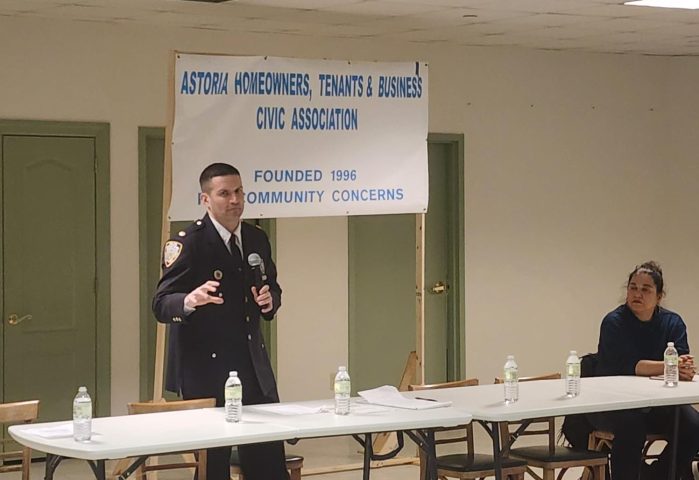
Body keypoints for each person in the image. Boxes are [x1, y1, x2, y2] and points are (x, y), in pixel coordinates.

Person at [153, 162, 289, 480]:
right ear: (205, 200)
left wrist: (270, 302)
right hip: (206, 374)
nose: (234, 200)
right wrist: (189, 300)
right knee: (213, 468)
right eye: (224, 193)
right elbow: (161, 304)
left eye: (239, 191)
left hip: (253, 370)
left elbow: (273, 290)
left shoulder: (256, 238)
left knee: (269, 464)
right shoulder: (187, 243)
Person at [591, 261, 699, 480]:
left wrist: (682, 369)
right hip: (618, 404)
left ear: (659, 296)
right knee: (631, 428)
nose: (637, 294)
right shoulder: (614, 323)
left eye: (645, 289)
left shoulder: (672, 322)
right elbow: (629, 367)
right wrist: (670, 366)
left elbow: (680, 363)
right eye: (633, 287)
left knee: (693, 426)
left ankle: (655, 475)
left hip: (661, 403)